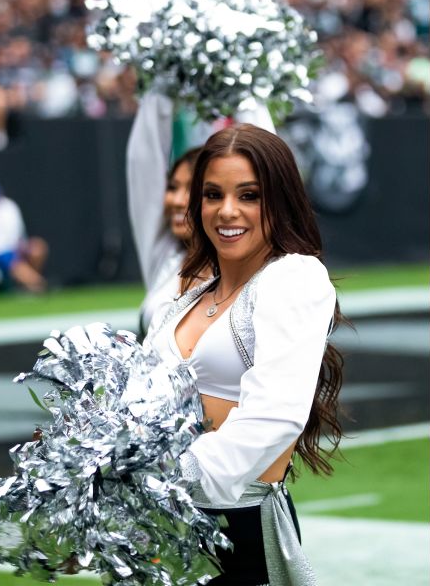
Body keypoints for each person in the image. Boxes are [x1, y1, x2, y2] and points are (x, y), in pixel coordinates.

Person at [141, 124, 345, 585]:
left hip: (237, 529)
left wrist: (168, 478)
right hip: (162, 526)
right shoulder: (185, 300)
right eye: (212, 194)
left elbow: (275, 416)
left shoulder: (294, 278)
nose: (227, 210)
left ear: (280, 200)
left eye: (249, 195)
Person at [127, 92, 276, 335]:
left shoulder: (259, 265)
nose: (175, 200)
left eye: (193, 189)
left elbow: (269, 168)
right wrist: (162, 87)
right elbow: (142, 164)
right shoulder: (167, 257)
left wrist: (246, 88)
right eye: (172, 187)